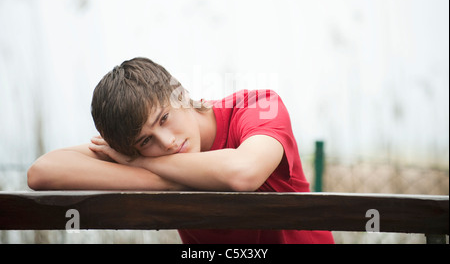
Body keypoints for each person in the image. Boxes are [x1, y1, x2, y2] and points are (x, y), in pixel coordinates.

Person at [27, 57, 334, 244]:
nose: (167, 143)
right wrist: (167, 177)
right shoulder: (142, 154)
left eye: (164, 118)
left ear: (181, 94)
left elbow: (243, 173)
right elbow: (43, 171)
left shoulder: (258, 106)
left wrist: (138, 164)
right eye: (146, 141)